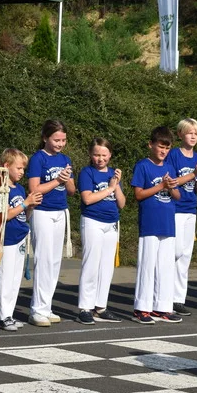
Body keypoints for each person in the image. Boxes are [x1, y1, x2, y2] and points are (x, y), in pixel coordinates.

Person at [26, 120, 77, 327]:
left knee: (55, 262)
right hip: (43, 212)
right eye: (56, 139)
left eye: (63, 140)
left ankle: (46, 306)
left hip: (60, 211)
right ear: (45, 138)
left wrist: (66, 179)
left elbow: (72, 191)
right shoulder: (38, 158)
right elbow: (34, 189)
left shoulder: (65, 158)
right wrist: (57, 180)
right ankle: (37, 309)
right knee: (44, 259)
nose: (60, 143)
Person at [131, 126, 182, 325]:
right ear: (151, 145)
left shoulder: (169, 167)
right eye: (160, 147)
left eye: (167, 148)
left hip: (167, 223)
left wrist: (170, 187)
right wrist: (160, 186)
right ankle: (142, 308)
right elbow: (138, 194)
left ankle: (162, 307)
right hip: (150, 223)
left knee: (165, 267)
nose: (163, 151)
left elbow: (177, 195)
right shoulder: (143, 166)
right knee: (147, 265)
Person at [76, 137, 127, 325]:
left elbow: (121, 203)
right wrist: (110, 188)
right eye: (96, 154)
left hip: (111, 223)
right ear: (91, 154)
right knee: (91, 263)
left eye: (104, 155)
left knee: (107, 266)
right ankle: (85, 307)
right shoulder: (87, 173)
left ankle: (101, 306)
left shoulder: (113, 174)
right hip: (92, 221)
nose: (100, 158)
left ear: (110, 155)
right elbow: (87, 199)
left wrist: (116, 185)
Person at [167, 119, 197, 316]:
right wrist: (194, 172)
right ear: (180, 135)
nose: (193, 136)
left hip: (190, 210)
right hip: (175, 208)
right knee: (174, 252)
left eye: (196, 133)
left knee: (185, 255)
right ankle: (164, 295)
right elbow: (173, 182)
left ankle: (178, 298)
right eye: (189, 133)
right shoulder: (174, 155)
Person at [0, 149, 41, 331]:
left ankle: (9, 314)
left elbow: (24, 215)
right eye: (19, 168)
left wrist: (31, 206)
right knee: (6, 278)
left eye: (23, 168)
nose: (22, 172)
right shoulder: (2, 187)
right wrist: (25, 203)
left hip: (21, 236)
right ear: (7, 166)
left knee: (15, 279)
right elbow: (5, 215)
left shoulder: (20, 188)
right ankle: (2, 315)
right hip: (8, 239)